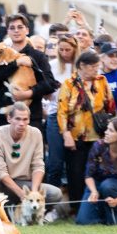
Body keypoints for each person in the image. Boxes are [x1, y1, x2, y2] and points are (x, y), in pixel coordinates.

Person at [0, 102, 63, 221]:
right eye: (18, 119)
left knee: (56, 193)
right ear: (9, 118)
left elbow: (38, 165)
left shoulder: (35, 133)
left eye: (25, 119)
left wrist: (34, 192)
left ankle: (30, 215)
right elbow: (1, 171)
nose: (22, 123)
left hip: (25, 183)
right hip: (1, 184)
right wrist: (21, 194)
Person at [57, 51, 117, 210]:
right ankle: (77, 209)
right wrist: (66, 134)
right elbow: (62, 111)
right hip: (76, 137)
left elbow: (110, 106)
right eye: (93, 67)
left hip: (99, 136)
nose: (97, 70)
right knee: (75, 173)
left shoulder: (102, 80)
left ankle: (99, 207)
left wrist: (111, 129)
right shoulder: (69, 83)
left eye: (98, 66)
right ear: (82, 66)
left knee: (98, 172)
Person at [0, 14, 58, 130]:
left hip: (31, 118)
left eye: (20, 27)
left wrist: (28, 93)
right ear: (7, 31)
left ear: (27, 30)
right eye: (12, 28)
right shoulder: (1, 54)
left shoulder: (38, 56)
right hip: (5, 118)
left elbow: (50, 84)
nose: (16, 31)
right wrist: (16, 63)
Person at [76, 118, 117, 225]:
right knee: (83, 221)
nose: (106, 132)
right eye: (107, 129)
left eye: (110, 131)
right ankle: (104, 216)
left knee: (108, 185)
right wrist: (93, 191)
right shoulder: (98, 146)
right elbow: (88, 175)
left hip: (115, 187)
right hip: (95, 185)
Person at [45, 35, 79, 187]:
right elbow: (46, 95)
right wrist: (54, 89)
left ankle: (73, 205)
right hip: (55, 115)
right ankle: (52, 205)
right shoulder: (52, 65)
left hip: (76, 117)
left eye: (68, 50)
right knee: (55, 163)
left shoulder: (79, 67)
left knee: (75, 165)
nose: (65, 53)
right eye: (61, 50)